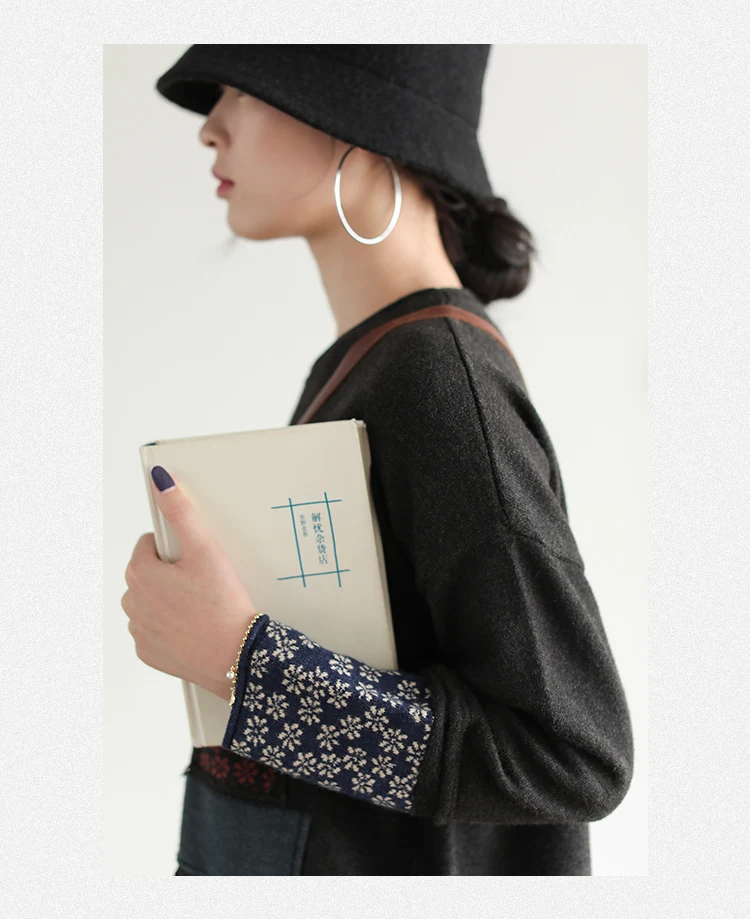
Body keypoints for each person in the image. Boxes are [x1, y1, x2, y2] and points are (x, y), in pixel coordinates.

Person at [132, 44, 634, 875]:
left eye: (242, 91)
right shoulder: (378, 364)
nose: (210, 128)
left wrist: (238, 657)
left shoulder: (443, 382)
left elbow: (571, 754)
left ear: (363, 124)